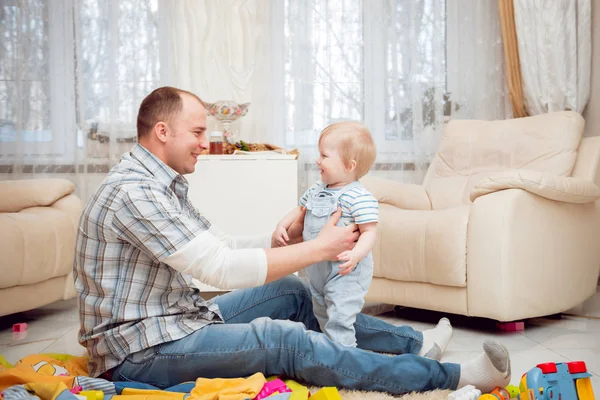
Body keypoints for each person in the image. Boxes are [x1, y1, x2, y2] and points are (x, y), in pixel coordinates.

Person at [73, 86, 511, 395]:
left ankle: (411, 344)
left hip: (179, 320)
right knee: (285, 340)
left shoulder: (161, 184)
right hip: (141, 351)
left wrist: (281, 239)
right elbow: (218, 269)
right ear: (163, 132)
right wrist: (320, 248)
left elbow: (220, 245)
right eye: (198, 133)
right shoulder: (136, 192)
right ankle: (448, 377)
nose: (206, 144)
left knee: (293, 293)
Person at [274, 121, 383, 348]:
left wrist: (355, 256)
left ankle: (345, 356)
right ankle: (331, 350)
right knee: (321, 313)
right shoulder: (317, 188)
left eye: (324, 155)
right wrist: (282, 225)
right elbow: (300, 210)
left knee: (340, 319)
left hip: (345, 272)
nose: (317, 160)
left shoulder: (359, 197)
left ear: (349, 165)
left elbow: (369, 233)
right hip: (317, 270)